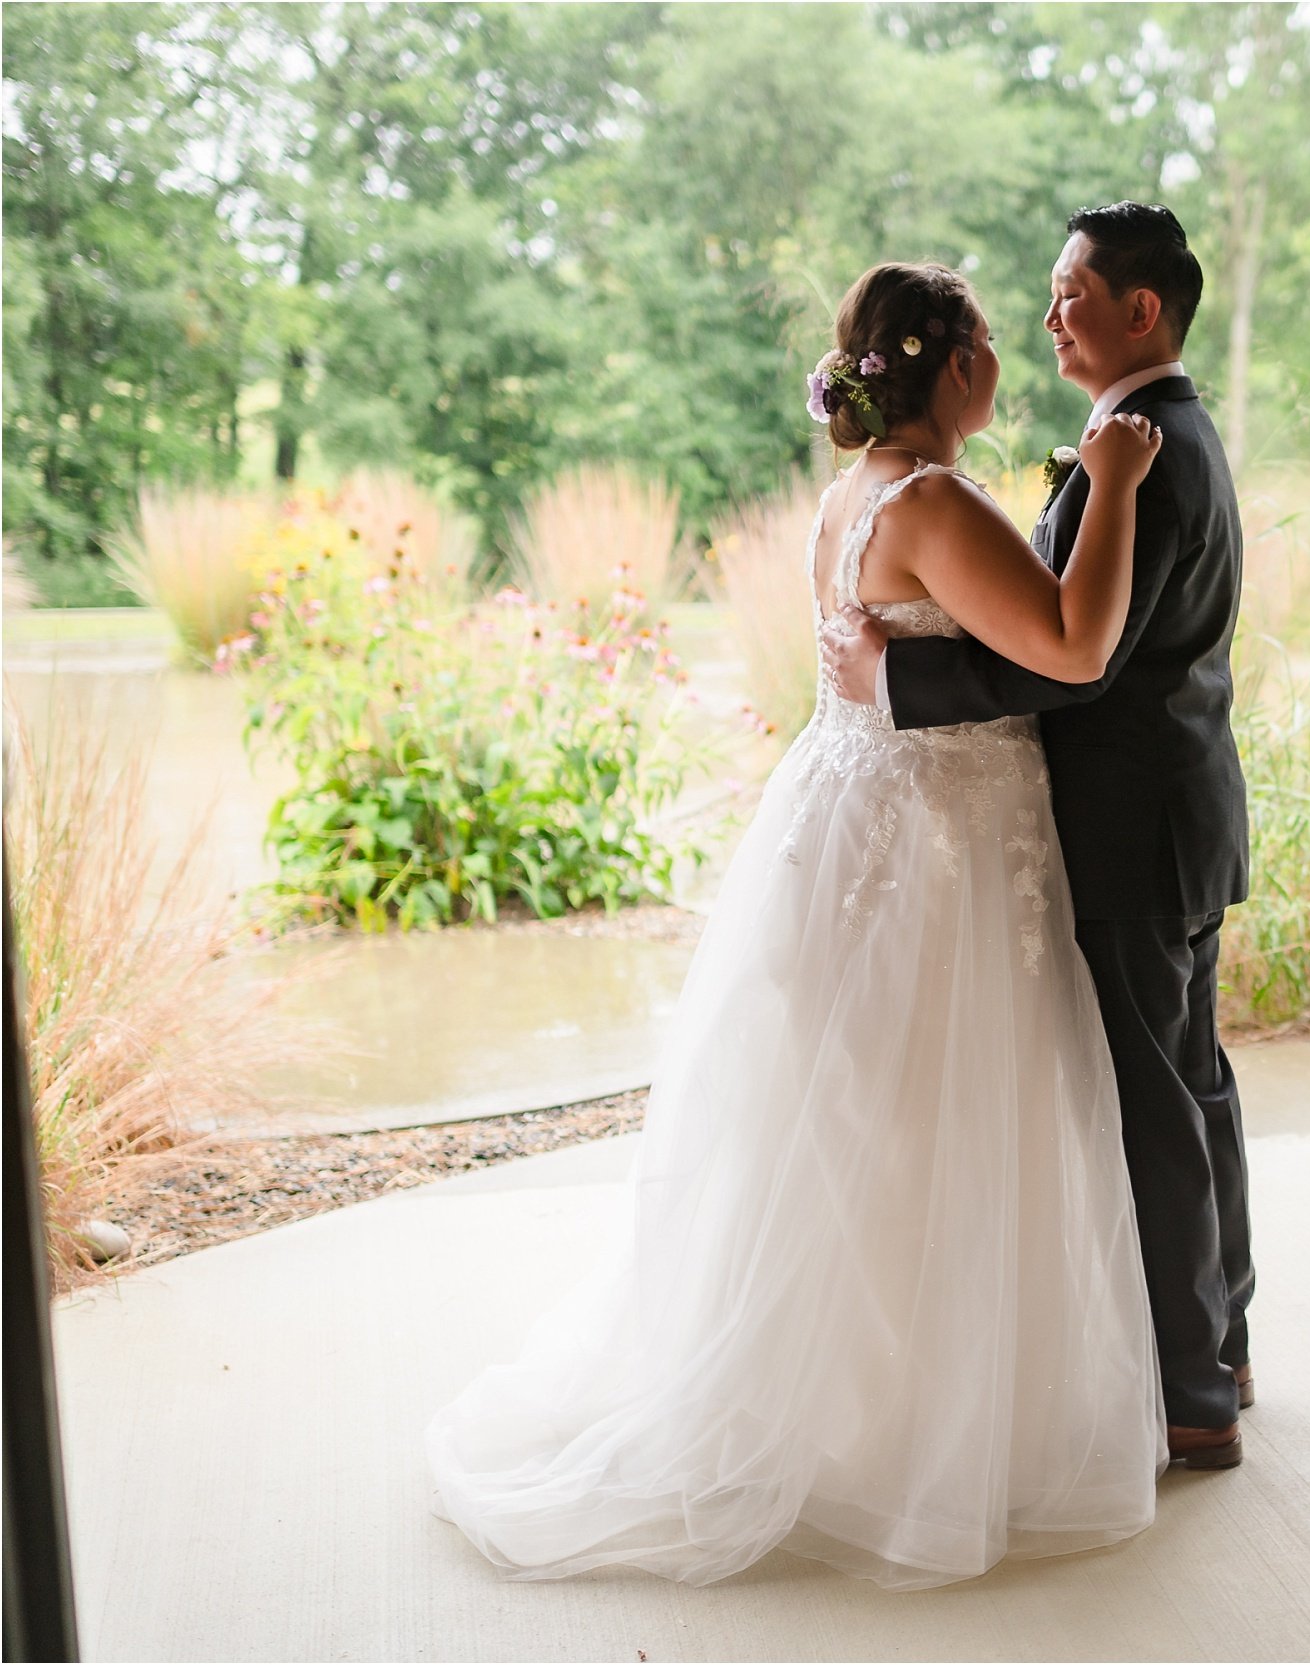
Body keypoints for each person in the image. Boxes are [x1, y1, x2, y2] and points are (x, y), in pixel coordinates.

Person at [426, 260, 1170, 1590]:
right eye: (991, 339)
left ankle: (871, 1414)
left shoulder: (850, 493)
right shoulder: (933, 497)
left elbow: (895, 657)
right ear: (949, 367)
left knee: (852, 1126)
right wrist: (1111, 487)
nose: (1004, 358)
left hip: (849, 821)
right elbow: (1070, 645)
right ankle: (911, 1440)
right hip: (939, 849)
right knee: (944, 1121)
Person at [823, 203, 1255, 1468]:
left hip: (1130, 831)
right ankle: (1220, 1344)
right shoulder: (1159, 433)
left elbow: (1078, 665)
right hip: (1167, 817)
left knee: (1157, 1110)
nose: (1052, 313)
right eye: (1046, 296)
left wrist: (890, 686)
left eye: (1074, 293)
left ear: (1144, 310)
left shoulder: (1149, 450)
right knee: (1195, 1092)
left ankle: (1193, 1394)